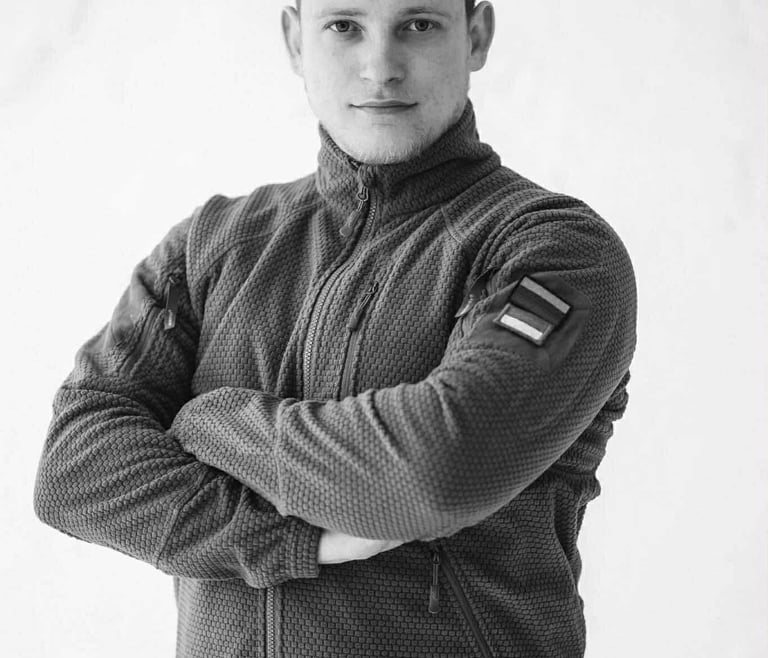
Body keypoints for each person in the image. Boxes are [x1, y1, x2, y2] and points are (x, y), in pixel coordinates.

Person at [33, 0, 637, 656]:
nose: (380, 67)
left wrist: (210, 420)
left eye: (418, 24)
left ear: (477, 34)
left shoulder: (554, 251)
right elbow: (74, 468)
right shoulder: (213, 246)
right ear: (296, 40)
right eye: (344, 26)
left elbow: (434, 474)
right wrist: (290, 539)